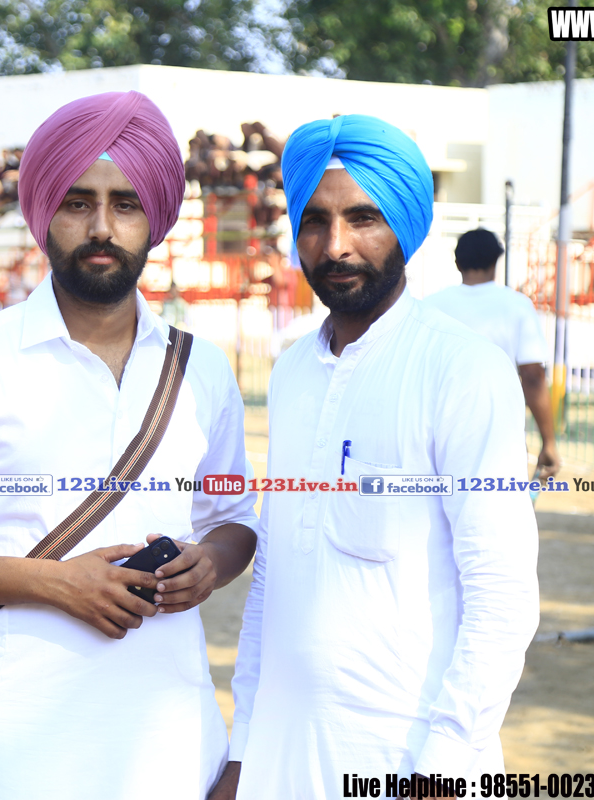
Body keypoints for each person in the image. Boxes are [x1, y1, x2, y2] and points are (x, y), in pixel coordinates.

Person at [0, 91, 257, 800]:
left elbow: (235, 521)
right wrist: (54, 582)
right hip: (16, 750)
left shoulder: (202, 369)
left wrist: (211, 564)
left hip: (171, 744)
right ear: (44, 214)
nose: (101, 227)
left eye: (125, 204)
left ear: (156, 218)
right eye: (77, 203)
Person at [211, 115, 540, 799]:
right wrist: (243, 751)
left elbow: (502, 589)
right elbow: (273, 573)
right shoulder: (293, 371)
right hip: (283, 754)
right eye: (315, 221)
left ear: (405, 226)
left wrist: (445, 765)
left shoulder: (463, 369)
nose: (336, 245)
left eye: (363, 218)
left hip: (410, 754)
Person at [425, 228, 560, 479]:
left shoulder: (429, 307)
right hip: (498, 436)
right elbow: (533, 377)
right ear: (495, 262)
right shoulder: (517, 305)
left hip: (435, 433)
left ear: (457, 263)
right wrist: (548, 442)